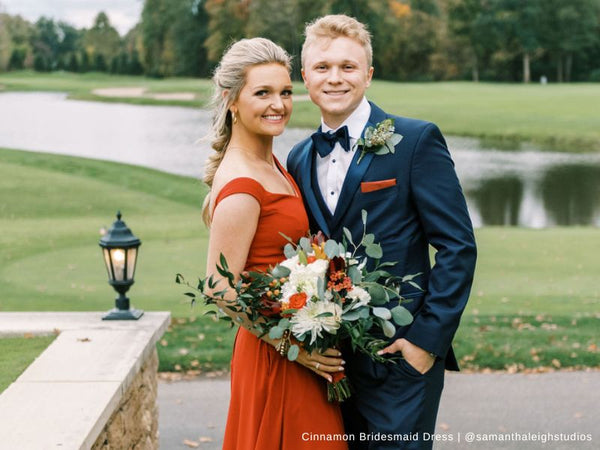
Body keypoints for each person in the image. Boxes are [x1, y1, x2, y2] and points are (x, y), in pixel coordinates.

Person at [287, 15, 477, 450]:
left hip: (400, 361)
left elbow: (457, 247)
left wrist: (424, 344)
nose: (335, 78)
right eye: (322, 67)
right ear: (305, 77)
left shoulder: (414, 141)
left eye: (348, 67)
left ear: (369, 74)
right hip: (329, 366)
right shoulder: (298, 157)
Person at [202, 37, 347, 450]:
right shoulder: (242, 187)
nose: (278, 104)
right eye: (262, 93)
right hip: (276, 357)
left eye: (285, 92)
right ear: (232, 100)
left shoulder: (269, 160)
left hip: (299, 346)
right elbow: (217, 287)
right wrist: (291, 348)